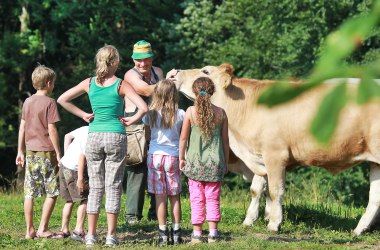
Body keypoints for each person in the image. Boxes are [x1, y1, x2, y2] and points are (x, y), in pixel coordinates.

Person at [57, 45, 148, 247]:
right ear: (114, 62)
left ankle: (90, 235)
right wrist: (131, 119)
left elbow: (62, 99)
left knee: (95, 186)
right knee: (114, 185)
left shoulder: (89, 83)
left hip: (94, 135)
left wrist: (83, 115)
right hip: (116, 135)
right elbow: (143, 107)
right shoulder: (121, 85)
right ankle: (110, 235)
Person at [179, 77, 229, 244]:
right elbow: (225, 141)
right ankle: (213, 234)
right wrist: (226, 162)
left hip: (194, 163)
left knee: (196, 198)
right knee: (213, 198)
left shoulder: (190, 112)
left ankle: (197, 234)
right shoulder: (221, 113)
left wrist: (181, 158)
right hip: (215, 163)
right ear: (212, 92)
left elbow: (183, 138)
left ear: (194, 92)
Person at [15, 64, 61, 240]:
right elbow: (52, 130)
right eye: (53, 83)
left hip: (30, 152)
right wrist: (58, 152)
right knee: (52, 191)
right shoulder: (50, 103)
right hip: (46, 153)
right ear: (49, 83)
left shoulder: (27, 101)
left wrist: (20, 150)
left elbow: (22, 127)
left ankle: (29, 230)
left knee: (29, 192)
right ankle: (43, 228)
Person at [123, 40, 163, 224]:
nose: (142, 64)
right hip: (135, 125)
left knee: (158, 167)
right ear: (133, 59)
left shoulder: (158, 72)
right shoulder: (130, 75)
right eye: (138, 60)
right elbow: (145, 91)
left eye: (146, 59)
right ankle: (132, 216)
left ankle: (156, 214)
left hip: (156, 123)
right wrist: (168, 85)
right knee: (136, 169)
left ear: (152, 58)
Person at [142, 79, 185, 246]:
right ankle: (176, 233)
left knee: (160, 197)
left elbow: (146, 135)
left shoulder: (150, 113)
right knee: (174, 196)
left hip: (155, 155)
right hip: (173, 155)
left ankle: (162, 234)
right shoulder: (180, 113)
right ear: (174, 94)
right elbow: (182, 136)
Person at [55, 126, 89, 241]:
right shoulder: (92, 134)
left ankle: (64, 230)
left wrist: (66, 154)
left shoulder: (85, 128)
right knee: (85, 198)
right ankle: (79, 231)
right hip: (75, 169)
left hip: (64, 165)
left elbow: (67, 136)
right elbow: (82, 157)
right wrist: (80, 178)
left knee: (69, 200)